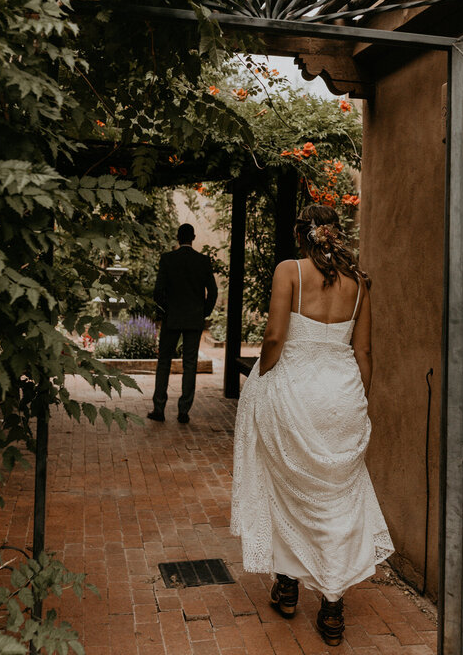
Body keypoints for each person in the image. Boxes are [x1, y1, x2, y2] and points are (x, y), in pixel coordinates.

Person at [230, 205, 392, 647]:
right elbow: (365, 353)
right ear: (333, 235)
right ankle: (333, 607)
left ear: (302, 235)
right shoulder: (359, 283)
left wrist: (262, 380)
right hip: (341, 395)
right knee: (336, 501)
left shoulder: (289, 271)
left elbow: (275, 338)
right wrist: (358, 401)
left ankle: (286, 588)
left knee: (286, 489)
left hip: (293, 390)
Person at [149, 223, 217, 424]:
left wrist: (167, 308)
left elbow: (157, 292)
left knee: (164, 363)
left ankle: (159, 409)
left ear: (178, 238)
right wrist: (203, 312)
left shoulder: (168, 260)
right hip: (194, 319)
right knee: (190, 365)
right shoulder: (203, 261)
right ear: (193, 237)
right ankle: (184, 411)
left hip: (172, 319)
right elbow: (212, 292)